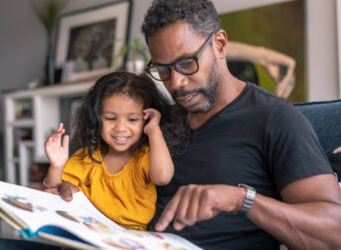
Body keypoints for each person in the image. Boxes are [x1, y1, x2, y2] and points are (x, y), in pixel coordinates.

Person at [138, 0, 341, 249]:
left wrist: (242, 200)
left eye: (187, 63)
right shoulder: (159, 121)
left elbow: (335, 236)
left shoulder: (274, 118)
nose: (176, 83)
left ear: (220, 44)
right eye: (163, 70)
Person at [43, 71, 177, 231]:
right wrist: (56, 166)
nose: (120, 128)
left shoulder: (145, 156)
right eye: (110, 118)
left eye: (133, 119)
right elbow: (53, 192)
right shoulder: (87, 157)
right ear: (97, 118)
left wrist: (154, 129)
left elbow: (163, 177)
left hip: (129, 238)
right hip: (87, 230)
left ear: (146, 119)